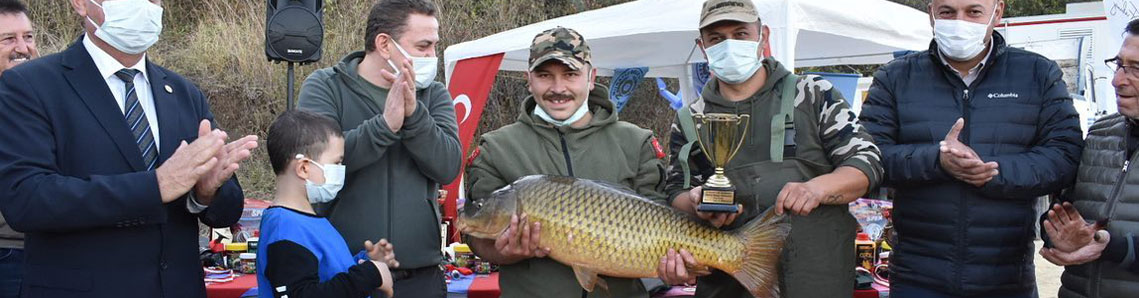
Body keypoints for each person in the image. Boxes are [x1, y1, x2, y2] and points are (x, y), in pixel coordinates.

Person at [0, 0, 259, 297]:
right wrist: (155, 186)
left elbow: (227, 212)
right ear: (82, 4)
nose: (143, 5)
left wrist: (206, 193)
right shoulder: (31, 85)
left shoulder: (183, 93)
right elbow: (26, 199)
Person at [858, 0, 1084, 296]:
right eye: (947, 12)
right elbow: (868, 156)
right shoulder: (895, 77)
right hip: (917, 277)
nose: (959, 21)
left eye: (973, 11)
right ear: (931, 13)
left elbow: (1065, 155)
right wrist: (936, 160)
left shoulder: (1037, 74)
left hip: (1006, 277)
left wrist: (992, 172)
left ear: (997, 12)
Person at [664, 1, 884, 297]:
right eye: (716, 38)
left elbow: (867, 163)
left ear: (763, 36)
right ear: (702, 46)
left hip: (816, 279)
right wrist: (695, 202)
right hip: (728, 286)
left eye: (740, 33)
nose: (729, 44)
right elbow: (674, 190)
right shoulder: (689, 119)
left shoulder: (813, 94)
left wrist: (816, 189)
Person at [464, 26, 672, 298]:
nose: (558, 88)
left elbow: (665, 223)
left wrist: (675, 265)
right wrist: (504, 252)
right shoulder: (496, 148)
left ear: (591, 77)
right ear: (529, 79)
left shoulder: (637, 142)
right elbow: (477, 235)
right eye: (544, 75)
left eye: (570, 74)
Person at [296, 0, 460, 296]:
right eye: (423, 46)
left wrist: (414, 117)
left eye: (435, 45)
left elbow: (448, 166)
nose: (431, 56)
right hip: (344, 275)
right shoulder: (325, 87)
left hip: (420, 277)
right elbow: (315, 166)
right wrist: (384, 127)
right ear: (384, 44)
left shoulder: (434, 94)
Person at [1036, 18, 1139, 298]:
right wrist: (1057, 233)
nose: (1118, 80)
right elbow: (1065, 210)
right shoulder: (1099, 135)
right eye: (1119, 65)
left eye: (1136, 69)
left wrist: (1113, 246)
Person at [257, 110, 398, 298]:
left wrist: (366, 262)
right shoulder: (285, 229)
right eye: (336, 163)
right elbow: (300, 294)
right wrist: (369, 275)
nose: (341, 170)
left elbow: (326, 276)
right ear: (304, 168)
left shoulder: (308, 221)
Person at [0, 1, 36, 296]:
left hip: (58, 253)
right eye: (7, 39)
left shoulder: (45, 97)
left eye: (28, 37)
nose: (23, 48)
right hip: (9, 254)